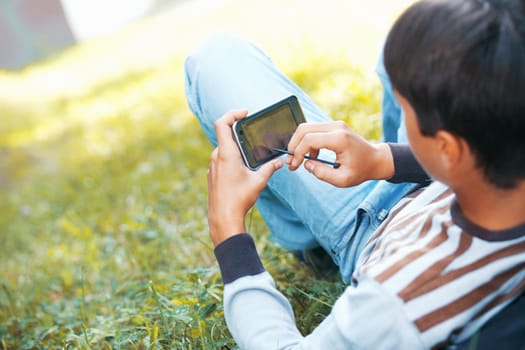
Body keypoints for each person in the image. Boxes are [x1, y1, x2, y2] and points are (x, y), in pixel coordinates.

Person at [184, 0, 525, 348]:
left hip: (372, 233)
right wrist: (384, 159)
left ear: (448, 149)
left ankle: (309, 241)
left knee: (214, 60)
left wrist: (229, 234)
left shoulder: (396, 306)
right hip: (435, 184)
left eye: (403, 107)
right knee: (409, 53)